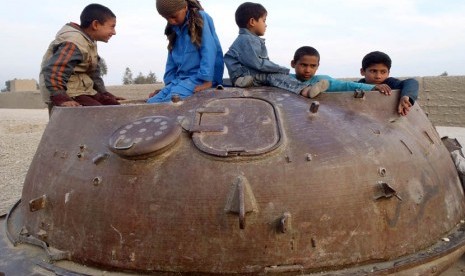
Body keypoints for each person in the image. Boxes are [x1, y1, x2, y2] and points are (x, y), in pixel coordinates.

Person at [223, 2, 329, 98]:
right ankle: (305, 90)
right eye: (263, 21)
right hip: (246, 74)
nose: (266, 25)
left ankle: (243, 81)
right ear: (252, 22)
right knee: (277, 77)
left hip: (248, 76)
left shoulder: (247, 39)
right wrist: (281, 69)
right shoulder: (248, 39)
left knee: (274, 77)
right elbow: (258, 64)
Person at [39, 3, 123, 110]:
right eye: (112, 27)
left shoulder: (89, 42)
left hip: (82, 89)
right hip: (66, 92)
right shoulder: (73, 42)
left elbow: (93, 73)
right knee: (99, 112)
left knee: (113, 106)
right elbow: (55, 71)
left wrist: (104, 94)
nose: (114, 32)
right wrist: (62, 98)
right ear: (95, 25)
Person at [147, 0, 224, 103]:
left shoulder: (200, 18)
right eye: (166, 18)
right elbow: (171, 59)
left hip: (199, 79)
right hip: (180, 80)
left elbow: (209, 49)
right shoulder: (174, 29)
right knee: (151, 102)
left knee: (168, 104)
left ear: (185, 7)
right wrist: (169, 84)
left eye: (174, 16)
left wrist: (207, 81)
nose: (171, 21)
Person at [290, 46, 391, 98]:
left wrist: (372, 87)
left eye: (313, 66)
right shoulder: (284, 78)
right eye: (303, 65)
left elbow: (346, 85)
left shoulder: (322, 80)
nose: (308, 70)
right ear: (293, 64)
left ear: (318, 66)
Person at [359, 51, 419, 116]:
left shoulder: (390, 83)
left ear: (388, 73)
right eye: (373, 71)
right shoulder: (359, 85)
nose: (378, 76)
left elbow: (412, 82)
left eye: (383, 72)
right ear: (362, 71)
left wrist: (406, 96)